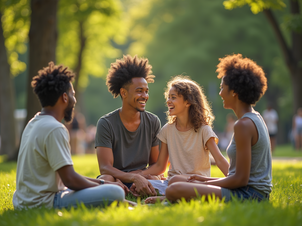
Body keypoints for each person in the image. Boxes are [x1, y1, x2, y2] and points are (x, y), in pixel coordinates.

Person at [13, 62, 127, 209]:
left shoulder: (33, 122)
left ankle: (124, 203)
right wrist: (107, 186)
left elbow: (66, 176)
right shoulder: (55, 128)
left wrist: (103, 183)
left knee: (111, 189)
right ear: (65, 97)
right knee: (115, 192)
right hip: (44, 202)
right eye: (73, 94)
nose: (75, 100)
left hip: (24, 202)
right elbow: (70, 181)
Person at [165, 54, 272, 203]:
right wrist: (201, 180)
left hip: (249, 194)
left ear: (234, 92)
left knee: (174, 189)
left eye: (222, 88)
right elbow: (237, 177)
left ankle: (167, 200)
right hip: (246, 189)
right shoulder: (255, 117)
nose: (220, 93)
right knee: (175, 180)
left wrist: (204, 183)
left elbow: (240, 180)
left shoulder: (243, 125)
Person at [138, 76, 229, 204]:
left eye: (173, 97)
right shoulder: (167, 130)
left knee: (175, 181)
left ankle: (165, 198)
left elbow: (219, 159)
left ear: (188, 102)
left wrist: (233, 179)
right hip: (171, 182)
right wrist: (139, 175)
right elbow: (160, 166)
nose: (169, 101)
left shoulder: (204, 130)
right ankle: (170, 195)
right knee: (141, 185)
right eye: (168, 97)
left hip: (197, 183)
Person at [95, 55, 161, 197]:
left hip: (142, 177)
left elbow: (156, 165)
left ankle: (134, 192)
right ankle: (122, 192)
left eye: (146, 91)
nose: (145, 96)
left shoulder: (153, 121)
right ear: (123, 93)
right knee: (106, 179)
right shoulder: (106, 123)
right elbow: (105, 168)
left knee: (155, 178)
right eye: (139, 91)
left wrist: (140, 175)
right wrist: (132, 178)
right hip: (116, 178)